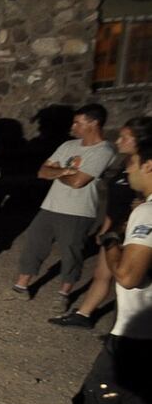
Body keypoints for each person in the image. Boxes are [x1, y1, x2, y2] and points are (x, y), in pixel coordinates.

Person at [37, 130, 152, 404]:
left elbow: (130, 276)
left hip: (137, 334)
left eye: (132, 163)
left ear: (148, 164)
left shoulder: (148, 212)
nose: (128, 170)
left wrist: (111, 242)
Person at [50, 116, 152, 328]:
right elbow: (114, 202)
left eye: (124, 137)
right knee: (103, 274)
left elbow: (128, 278)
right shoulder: (126, 165)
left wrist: (123, 227)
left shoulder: (142, 173)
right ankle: (86, 315)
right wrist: (107, 228)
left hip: (132, 230)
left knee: (131, 281)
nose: (118, 141)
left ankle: (126, 327)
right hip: (116, 228)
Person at [12, 104, 116, 311]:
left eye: (78, 122)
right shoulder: (68, 146)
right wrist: (66, 172)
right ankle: (21, 286)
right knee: (35, 242)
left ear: (94, 123)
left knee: (71, 251)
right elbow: (42, 171)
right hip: (50, 205)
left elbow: (79, 182)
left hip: (78, 209)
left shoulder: (104, 150)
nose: (73, 126)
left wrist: (59, 171)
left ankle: (63, 293)